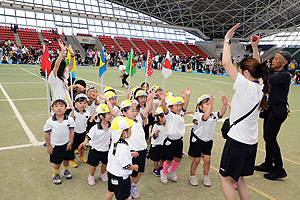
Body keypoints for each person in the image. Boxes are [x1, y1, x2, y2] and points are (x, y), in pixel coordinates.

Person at [219, 23, 270, 200]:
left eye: (241, 71)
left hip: (237, 142)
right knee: (239, 178)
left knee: (224, 177)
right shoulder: (261, 86)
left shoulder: (245, 86)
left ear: (247, 73)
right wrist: (254, 48)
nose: (238, 74)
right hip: (251, 142)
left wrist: (227, 40)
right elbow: (259, 67)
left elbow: (226, 63)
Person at [254, 51, 292, 180]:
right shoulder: (274, 72)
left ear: (284, 63)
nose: (273, 60)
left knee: (270, 138)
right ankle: (268, 163)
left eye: (276, 59)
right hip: (271, 108)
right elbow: (260, 70)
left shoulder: (285, 75)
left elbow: (267, 80)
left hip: (278, 110)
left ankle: (279, 169)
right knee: (267, 137)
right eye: (273, 58)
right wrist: (255, 48)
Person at [121, 88, 156, 199]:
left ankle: (134, 186)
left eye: (136, 110)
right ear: (124, 112)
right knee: (132, 173)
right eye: (132, 111)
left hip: (142, 150)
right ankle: (127, 190)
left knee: (140, 170)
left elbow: (145, 110)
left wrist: (150, 98)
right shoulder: (123, 121)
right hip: (132, 151)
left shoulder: (138, 119)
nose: (135, 112)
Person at [188, 94, 228, 187]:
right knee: (196, 160)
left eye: (210, 103)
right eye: (207, 104)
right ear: (201, 107)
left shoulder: (213, 115)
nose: (210, 105)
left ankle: (205, 175)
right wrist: (210, 106)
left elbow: (221, 113)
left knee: (207, 160)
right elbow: (205, 117)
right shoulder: (199, 115)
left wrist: (224, 105)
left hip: (208, 141)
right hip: (198, 140)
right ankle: (192, 175)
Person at [159, 87, 192, 184]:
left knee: (178, 158)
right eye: (176, 106)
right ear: (170, 107)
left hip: (179, 140)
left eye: (180, 105)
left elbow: (185, 106)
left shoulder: (180, 114)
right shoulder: (169, 115)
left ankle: (172, 170)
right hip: (170, 141)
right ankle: (164, 172)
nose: (179, 107)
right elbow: (164, 110)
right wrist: (164, 101)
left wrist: (188, 96)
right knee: (169, 159)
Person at [103, 116, 139, 200]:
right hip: (121, 177)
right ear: (123, 132)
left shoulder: (114, 142)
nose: (131, 131)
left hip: (112, 173)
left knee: (111, 192)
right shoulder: (123, 147)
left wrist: (129, 154)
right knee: (124, 197)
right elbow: (126, 166)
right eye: (130, 129)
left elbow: (116, 155)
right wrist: (135, 167)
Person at [43, 96, 75, 185]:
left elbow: (72, 131)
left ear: (65, 108)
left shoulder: (70, 119)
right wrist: (48, 145)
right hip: (56, 146)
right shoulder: (50, 121)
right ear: (52, 109)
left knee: (66, 160)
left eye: (61, 105)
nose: (59, 108)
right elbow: (47, 133)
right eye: (56, 106)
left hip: (67, 144)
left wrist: (70, 142)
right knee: (57, 162)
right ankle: (55, 174)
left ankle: (65, 171)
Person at [79, 104, 113, 185]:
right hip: (95, 150)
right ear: (101, 116)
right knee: (93, 165)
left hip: (106, 149)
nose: (110, 115)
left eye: (110, 113)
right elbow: (88, 136)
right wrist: (84, 142)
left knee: (105, 163)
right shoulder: (95, 128)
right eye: (107, 114)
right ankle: (91, 176)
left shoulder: (111, 126)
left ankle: (102, 173)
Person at [48, 40, 74, 113]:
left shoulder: (63, 76)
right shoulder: (53, 77)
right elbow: (56, 66)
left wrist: (72, 55)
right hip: (58, 106)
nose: (65, 69)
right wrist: (62, 51)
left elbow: (70, 66)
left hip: (68, 105)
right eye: (63, 67)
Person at [69, 94, 90, 168]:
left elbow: (88, 122)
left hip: (83, 132)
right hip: (74, 133)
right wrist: (72, 110)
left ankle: (80, 156)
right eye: (80, 103)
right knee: (72, 147)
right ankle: (71, 160)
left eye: (84, 103)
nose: (83, 105)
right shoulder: (74, 112)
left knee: (82, 146)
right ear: (76, 103)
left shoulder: (87, 113)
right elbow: (70, 120)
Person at [148, 106, 166, 177]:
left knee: (162, 157)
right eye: (164, 117)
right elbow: (153, 136)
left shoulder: (166, 125)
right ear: (159, 117)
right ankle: (155, 168)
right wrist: (156, 133)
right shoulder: (156, 125)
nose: (166, 119)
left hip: (163, 144)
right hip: (157, 144)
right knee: (156, 158)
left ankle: (160, 167)